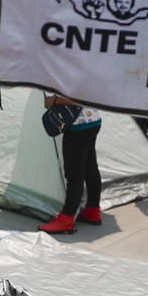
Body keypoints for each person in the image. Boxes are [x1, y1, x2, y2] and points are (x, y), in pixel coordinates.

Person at [40, 100, 104, 234]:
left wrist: (55, 100)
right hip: (92, 119)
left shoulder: (74, 77)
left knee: (74, 174)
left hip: (77, 125)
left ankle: (67, 218)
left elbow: (75, 96)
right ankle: (92, 210)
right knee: (89, 167)